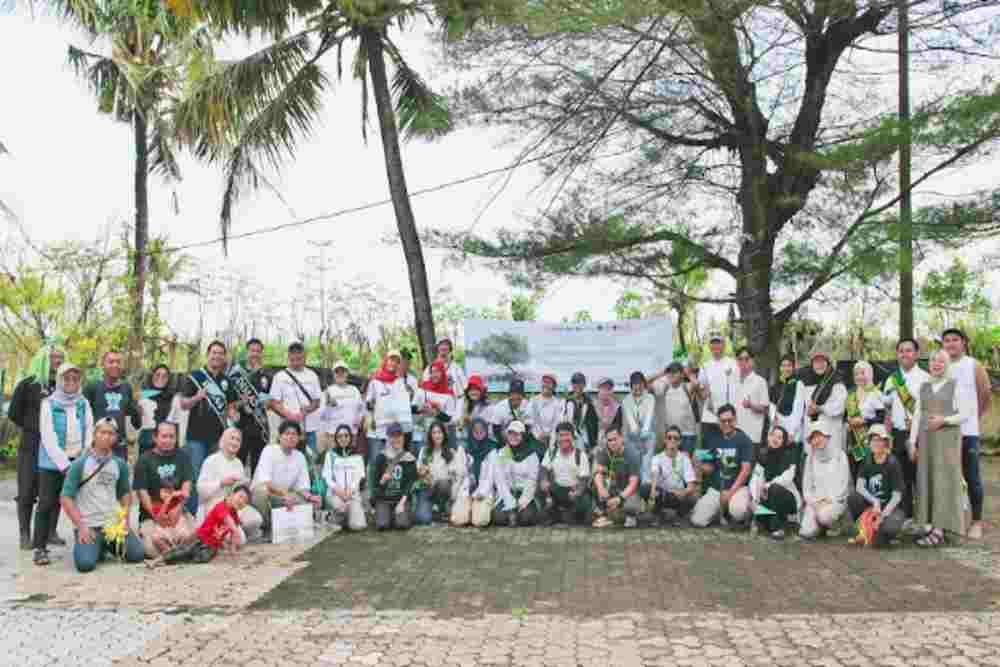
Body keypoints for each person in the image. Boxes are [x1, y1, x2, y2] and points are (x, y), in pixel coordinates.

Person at [59, 418, 144, 572]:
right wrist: (81, 526)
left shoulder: (120, 464)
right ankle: (97, 547)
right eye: (102, 432)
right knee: (85, 564)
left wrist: (125, 520)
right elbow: (66, 498)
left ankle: (102, 547)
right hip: (89, 525)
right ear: (94, 435)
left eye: (111, 433)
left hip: (112, 525)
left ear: (116, 437)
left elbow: (125, 494)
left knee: (137, 554)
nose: (106, 436)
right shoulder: (80, 464)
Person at [33, 362, 94, 566]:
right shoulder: (48, 403)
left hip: (78, 460)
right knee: (46, 503)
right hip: (52, 463)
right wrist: (65, 465)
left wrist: (82, 458)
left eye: (75, 379)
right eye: (66, 379)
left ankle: (87, 543)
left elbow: (89, 431)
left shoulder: (83, 403)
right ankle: (40, 548)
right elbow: (48, 437)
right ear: (60, 380)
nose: (71, 382)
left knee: (81, 503)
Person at [910, 349, 972, 545]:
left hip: (946, 441)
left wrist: (944, 420)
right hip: (926, 441)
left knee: (944, 481)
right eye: (933, 361)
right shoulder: (924, 386)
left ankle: (940, 530)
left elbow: (966, 413)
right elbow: (917, 415)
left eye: (941, 361)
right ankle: (930, 524)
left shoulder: (955, 385)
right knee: (928, 479)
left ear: (947, 364)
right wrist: (912, 442)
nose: (936, 364)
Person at [9, 340, 65, 550]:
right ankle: (25, 534)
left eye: (61, 357)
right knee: (26, 491)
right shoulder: (28, 384)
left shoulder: (63, 387)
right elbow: (14, 413)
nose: (58, 361)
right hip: (31, 445)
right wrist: (34, 426)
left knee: (53, 491)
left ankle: (50, 532)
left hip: (56, 448)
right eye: (54, 357)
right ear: (43, 359)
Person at [942, 327, 992, 540]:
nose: (951, 343)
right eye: (947, 340)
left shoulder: (973, 365)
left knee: (972, 477)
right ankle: (953, 520)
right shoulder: (941, 365)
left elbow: (985, 394)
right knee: (949, 477)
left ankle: (976, 522)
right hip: (945, 431)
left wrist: (972, 418)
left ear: (963, 343)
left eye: (955, 339)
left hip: (968, 432)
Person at [179, 340, 237, 514]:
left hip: (219, 438)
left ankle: (213, 514)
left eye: (220, 353)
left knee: (216, 477)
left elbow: (231, 407)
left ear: (224, 357)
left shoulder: (227, 381)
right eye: (214, 352)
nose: (217, 356)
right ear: (208, 355)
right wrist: (197, 397)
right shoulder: (195, 376)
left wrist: (233, 413)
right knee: (195, 475)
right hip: (196, 436)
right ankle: (192, 514)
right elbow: (183, 404)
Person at [134, 421, 196, 558]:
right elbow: (142, 493)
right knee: (150, 550)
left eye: (171, 436)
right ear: (155, 438)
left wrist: (178, 509)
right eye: (164, 436)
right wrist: (157, 515)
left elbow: (187, 485)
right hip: (152, 514)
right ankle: (176, 551)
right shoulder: (144, 460)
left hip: (177, 511)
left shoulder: (182, 457)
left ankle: (175, 550)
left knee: (193, 538)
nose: (168, 440)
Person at [881, 338, 928, 520]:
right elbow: (887, 411)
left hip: (921, 436)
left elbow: (930, 409)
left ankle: (924, 517)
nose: (904, 354)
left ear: (916, 354)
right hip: (898, 435)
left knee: (920, 477)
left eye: (909, 350)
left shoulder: (926, 378)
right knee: (901, 478)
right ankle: (906, 516)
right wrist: (887, 436)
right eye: (901, 351)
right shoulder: (891, 380)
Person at [251, 420, 322, 535]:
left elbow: (302, 487)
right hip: (265, 494)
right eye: (287, 433)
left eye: (294, 434)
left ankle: (281, 525)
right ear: (279, 437)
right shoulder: (269, 450)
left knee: (307, 504)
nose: (291, 437)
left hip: (284, 496)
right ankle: (265, 527)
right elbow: (265, 483)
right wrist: (285, 494)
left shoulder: (300, 457)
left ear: (298, 438)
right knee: (261, 492)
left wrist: (310, 497)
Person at [196, 427, 264, 541]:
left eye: (238, 440)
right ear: (223, 440)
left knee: (256, 520)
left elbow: (239, 491)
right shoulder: (211, 460)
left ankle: (234, 530)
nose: (235, 442)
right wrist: (221, 483)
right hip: (215, 505)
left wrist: (245, 485)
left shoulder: (238, 463)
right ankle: (227, 532)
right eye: (232, 438)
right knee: (240, 539)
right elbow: (200, 490)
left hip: (235, 505)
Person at [690, 404, 752, 528]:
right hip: (717, 489)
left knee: (738, 512)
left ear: (735, 420)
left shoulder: (744, 440)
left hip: (737, 488)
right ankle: (719, 511)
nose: (727, 424)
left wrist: (730, 493)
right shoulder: (714, 439)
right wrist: (698, 463)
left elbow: (746, 470)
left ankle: (746, 512)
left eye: (730, 420)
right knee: (697, 520)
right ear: (719, 422)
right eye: (723, 421)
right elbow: (709, 466)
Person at [160, 485, 253, 565]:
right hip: (200, 538)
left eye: (245, 502)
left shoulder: (234, 515)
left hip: (212, 547)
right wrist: (235, 530)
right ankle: (160, 560)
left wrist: (233, 550)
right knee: (182, 551)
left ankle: (180, 560)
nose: (242, 502)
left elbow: (233, 534)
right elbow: (228, 521)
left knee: (200, 558)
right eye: (240, 497)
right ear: (232, 494)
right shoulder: (221, 506)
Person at [848, 425, 906, 547]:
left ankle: (885, 533)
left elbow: (897, 496)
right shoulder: (867, 460)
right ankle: (863, 529)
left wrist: (883, 515)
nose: (877, 443)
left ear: (886, 443)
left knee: (885, 533)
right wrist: (874, 501)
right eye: (874, 440)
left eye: (880, 440)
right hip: (873, 506)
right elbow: (859, 486)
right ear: (869, 443)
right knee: (853, 497)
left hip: (891, 508)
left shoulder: (893, 463)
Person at [477, 420, 542, 527]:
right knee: (498, 518)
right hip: (507, 493)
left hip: (524, 492)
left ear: (523, 436)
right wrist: (509, 501)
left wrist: (522, 501)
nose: (513, 437)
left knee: (526, 518)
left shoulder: (531, 455)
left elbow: (532, 480)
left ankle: (519, 513)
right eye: (510, 434)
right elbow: (500, 479)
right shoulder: (502, 453)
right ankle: (511, 514)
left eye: (517, 434)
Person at [365, 351, 412, 497]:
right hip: (376, 429)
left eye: (396, 361)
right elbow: (368, 403)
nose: (393, 363)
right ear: (386, 361)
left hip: (393, 431)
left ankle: (388, 494)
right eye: (391, 360)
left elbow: (404, 404)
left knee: (391, 463)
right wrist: (371, 415)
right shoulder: (375, 381)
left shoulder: (400, 382)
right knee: (375, 462)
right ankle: (373, 495)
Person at [83, 350, 141, 462]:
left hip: (119, 447)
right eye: (111, 362)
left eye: (118, 362)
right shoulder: (92, 387)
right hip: (97, 447)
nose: (115, 365)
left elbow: (135, 421)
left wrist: (138, 410)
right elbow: (83, 417)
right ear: (103, 365)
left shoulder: (126, 387)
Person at [268, 342, 323, 454]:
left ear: (305, 357)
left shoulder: (312, 376)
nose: (296, 362)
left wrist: (307, 410)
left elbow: (317, 401)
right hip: (288, 430)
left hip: (309, 430)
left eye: (299, 359)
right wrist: (289, 415)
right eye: (293, 359)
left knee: (310, 460)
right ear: (288, 357)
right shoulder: (280, 376)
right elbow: (273, 402)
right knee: (284, 460)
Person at [748, 426, 800, 540]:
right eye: (773, 435)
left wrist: (767, 486)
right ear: (769, 437)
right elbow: (755, 477)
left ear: (784, 441)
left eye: (780, 437)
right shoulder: (763, 455)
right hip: (767, 496)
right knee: (752, 505)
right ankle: (772, 521)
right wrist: (756, 497)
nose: (775, 439)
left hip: (787, 497)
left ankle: (778, 527)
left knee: (774, 489)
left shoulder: (789, 455)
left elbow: (787, 478)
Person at [799, 424, 850, 540]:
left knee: (823, 517)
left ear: (827, 436)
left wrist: (830, 499)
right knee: (806, 532)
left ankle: (836, 524)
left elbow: (844, 484)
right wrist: (813, 502)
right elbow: (806, 487)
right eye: (813, 437)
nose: (817, 440)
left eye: (820, 435)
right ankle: (820, 527)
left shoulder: (840, 455)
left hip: (835, 500)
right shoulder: (810, 458)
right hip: (816, 502)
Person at [230, 338, 273, 476]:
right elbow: (229, 404)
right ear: (247, 352)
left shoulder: (266, 375)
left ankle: (255, 489)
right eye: (252, 350)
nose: (255, 354)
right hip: (241, 426)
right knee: (237, 464)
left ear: (261, 353)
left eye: (258, 351)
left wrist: (268, 403)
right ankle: (237, 489)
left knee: (258, 467)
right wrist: (241, 403)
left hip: (260, 427)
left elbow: (271, 403)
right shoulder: (236, 374)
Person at [414, 422, 468, 525]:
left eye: (439, 432)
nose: (437, 435)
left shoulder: (452, 450)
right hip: (428, 489)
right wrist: (422, 472)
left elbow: (460, 475)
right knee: (423, 518)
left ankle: (442, 508)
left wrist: (453, 497)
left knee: (443, 484)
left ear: (444, 434)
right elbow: (418, 471)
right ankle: (433, 509)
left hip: (445, 490)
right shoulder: (424, 451)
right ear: (430, 435)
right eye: (434, 433)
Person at [540, 422, 592, 525]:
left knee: (583, 506)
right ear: (557, 437)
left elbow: (584, 480)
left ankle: (566, 515)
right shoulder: (551, 452)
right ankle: (556, 513)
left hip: (573, 491)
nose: (564, 438)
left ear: (573, 437)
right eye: (561, 435)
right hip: (557, 489)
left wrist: (578, 492)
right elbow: (543, 469)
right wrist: (543, 480)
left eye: (567, 435)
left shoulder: (580, 455)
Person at [644, 426, 698, 524]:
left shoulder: (685, 459)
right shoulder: (657, 458)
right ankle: (657, 513)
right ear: (665, 440)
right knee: (645, 488)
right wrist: (652, 492)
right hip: (662, 494)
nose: (672, 440)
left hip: (677, 495)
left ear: (680, 442)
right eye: (669, 437)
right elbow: (654, 474)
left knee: (692, 498)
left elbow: (691, 486)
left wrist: (683, 492)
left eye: (675, 438)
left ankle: (678, 515)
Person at [799, 349, 847, 455]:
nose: (819, 365)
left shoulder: (836, 382)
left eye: (822, 361)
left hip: (831, 431)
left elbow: (840, 407)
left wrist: (820, 409)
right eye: (816, 362)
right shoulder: (806, 382)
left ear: (828, 363)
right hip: (812, 431)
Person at [591, 426, 641, 528]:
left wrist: (620, 498)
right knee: (595, 483)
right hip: (613, 488)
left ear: (621, 438)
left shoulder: (632, 454)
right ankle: (604, 515)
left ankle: (630, 516)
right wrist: (601, 489)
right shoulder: (604, 451)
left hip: (628, 491)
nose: (612, 443)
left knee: (631, 506)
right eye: (609, 440)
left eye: (615, 439)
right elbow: (598, 473)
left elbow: (634, 483)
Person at [321, 424, 367, 531]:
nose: (343, 438)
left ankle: (346, 517)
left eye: (346, 435)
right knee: (341, 509)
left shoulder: (357, 455)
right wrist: (340, 492)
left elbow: (358, 477)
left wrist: (350, 492)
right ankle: (331, 517)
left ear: (350, 437)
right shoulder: (330, 454)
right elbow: (327, 477)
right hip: (335, 494)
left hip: (352, 494)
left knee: (358, 526)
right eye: (340, 436)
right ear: (336, 438)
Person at [411, 359, 459, 460]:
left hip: (441, 438)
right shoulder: (422, 389)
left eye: (437, 371)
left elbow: (449, 418)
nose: (434, 374)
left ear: (443, 373)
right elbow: (412, 408)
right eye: (432, 372)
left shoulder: (448, 394)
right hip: (424, 435)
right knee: (424, 461)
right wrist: (421, 408)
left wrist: (435, 413)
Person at [696, 333, 737, 450]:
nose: (715, 346)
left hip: (727, 416)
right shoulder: (705, 366)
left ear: (723, 345)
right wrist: (703, 392)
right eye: (713, 343)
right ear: (709, 347)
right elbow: (701, 393)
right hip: (709, 416)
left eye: (718, 343)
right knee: (707, 450)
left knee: (727, 450)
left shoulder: (732, 363)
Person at [373, 423, 417, 530]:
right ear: (388, 438)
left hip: (401, 498)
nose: (396, 439)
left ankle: (398, 514)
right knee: (382, 525)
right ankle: (388, 513)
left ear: (403, 437)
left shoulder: (409, 458)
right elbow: (375, 485)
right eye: (393, 436)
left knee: (402, 525)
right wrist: (382, 481)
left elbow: (410, 484)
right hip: (384, 499)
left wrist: (402, 503)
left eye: (399, 436)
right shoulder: (381, 457)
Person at [845, 361, 885, 479]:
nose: (859, 376)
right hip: (853, 444)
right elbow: (846, 416)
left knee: (871, 477)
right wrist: (848, 422)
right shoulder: (851, 394)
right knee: (856, 476)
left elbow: (881, 418)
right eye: (856, 374)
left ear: (870, 374)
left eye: (863, 373)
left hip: (870, 443)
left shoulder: (875, 393)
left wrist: (864, 421)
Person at [648, 362, 699, 455]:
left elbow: (696, 384)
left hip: (687, 434)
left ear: (681, 374)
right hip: (671, 435)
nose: (672, 374)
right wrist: (662, 372)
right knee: (671, 462)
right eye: (670, 372)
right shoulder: (663, 388)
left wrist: (686, 372)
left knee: (686, 461)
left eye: (675, 372)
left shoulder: (686, 387)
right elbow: (645, 382)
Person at [458, 418, 499, 527]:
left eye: (482, 430)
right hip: (467, 490)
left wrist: (482, 492)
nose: (479, 433)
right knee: (459, 520)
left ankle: (480, 509)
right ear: (471, 431)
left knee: (479, 521)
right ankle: (468, 509)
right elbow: (462, 473)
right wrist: (466, 492)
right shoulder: (464, 448)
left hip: (484, 492)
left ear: (486, 431)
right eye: (476, 430)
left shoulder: (492, 449)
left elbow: (491, 476)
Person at [321, 360, 365, 453]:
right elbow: (321, 416)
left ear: (347, 373)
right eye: (337, 371)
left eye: (343, 371)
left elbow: (361, 408)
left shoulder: (354, 390)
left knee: (350, 459)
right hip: (333, 434)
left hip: (351, 434)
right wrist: (328, 405)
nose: (340, 374)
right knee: (334, 459)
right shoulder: (328, 391)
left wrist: (359, 419)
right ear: (333, 374)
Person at [621, 371, 656, 487]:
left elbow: (649, 416)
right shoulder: (626, 400)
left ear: (644, 385)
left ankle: (645, 484)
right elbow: (630, 419)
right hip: (632, 435)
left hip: (647, 434)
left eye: (640, 384)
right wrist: (636, 432)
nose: (638, 387)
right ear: (631, 385)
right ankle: (634, 484)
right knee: (635, 459)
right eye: (635, 384)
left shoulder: (650, 398)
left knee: (646, 460)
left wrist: (645, 431)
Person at [733, 348, 770, 457]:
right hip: (734, 434)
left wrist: (751, 405)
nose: (743, 362)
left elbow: (765, 409)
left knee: (749, 466)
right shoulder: (732, 380)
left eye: (746, 359)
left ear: (752, 361)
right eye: (740, 359)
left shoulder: (760, 381)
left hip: (752, 437)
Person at [138, 364, 176, 456]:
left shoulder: (173, 397)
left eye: (164, 376)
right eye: (157, 374)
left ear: (168, 379)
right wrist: (137, 413)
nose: (160, 378)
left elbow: (176, 422)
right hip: (147, 443)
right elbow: (136, 423)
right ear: (152, 376)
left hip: (167, 444)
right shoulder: (143, 395)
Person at [524, 372, 567, 452]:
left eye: (549, 383)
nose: (546, 385)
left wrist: (550, 435)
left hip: (552, 441)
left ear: (554, 386)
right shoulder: (533, 401)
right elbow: (528, 421)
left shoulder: (558, 403)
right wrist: (538, 434)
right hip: (535, 440)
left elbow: (558, 422)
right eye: (544, 382)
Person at [770, 355, 804, 445]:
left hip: (792, 427)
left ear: (793, 367)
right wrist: (773, 418)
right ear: (780, 367)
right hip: (778, 427)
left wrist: (792, 431)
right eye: (783, 366)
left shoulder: (798, 384)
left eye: (789, 365)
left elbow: (798, 408)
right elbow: (772, 404)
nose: (786, 368)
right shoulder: (776, 384)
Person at [487, 378, 531, 446]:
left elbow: (527, 427)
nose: (515, 396)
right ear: (509, 395)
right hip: (499, 440)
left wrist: (521, 443)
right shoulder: (500, 407)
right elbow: (496, 429)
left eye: (519, 394)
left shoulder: (527, 405)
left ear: (523, 395)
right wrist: (504, 445)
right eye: (513, 393)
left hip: (518, 439)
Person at [565, 372, 598, 454]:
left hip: (584, 438)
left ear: (584, 385)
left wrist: (593, 443)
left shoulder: (589, 402)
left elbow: (594, 424)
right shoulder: (565, 401)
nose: (577, 385)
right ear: (572, 384)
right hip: (569, 437)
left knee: (583, 458)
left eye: (580, 382)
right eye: (575, 382)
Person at [454, 374, 492, 445]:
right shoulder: (462, 402)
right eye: (471, 389)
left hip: (482, 442)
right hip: (464, 440)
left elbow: (481, 428)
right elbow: (455, 421)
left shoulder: (488, 406)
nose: (473, 392)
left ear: (482, 391)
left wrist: (469, 420)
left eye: (476, 389)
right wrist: (459, 421)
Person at [594, 377, 622, 451]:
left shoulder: (618, 407)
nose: (606, 392)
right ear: (599, 390)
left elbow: (620, 428)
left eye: (609, 389)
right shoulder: (592, 406)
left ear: (612, 391)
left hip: (613, 443)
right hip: (595, 444)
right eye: (603, 389)